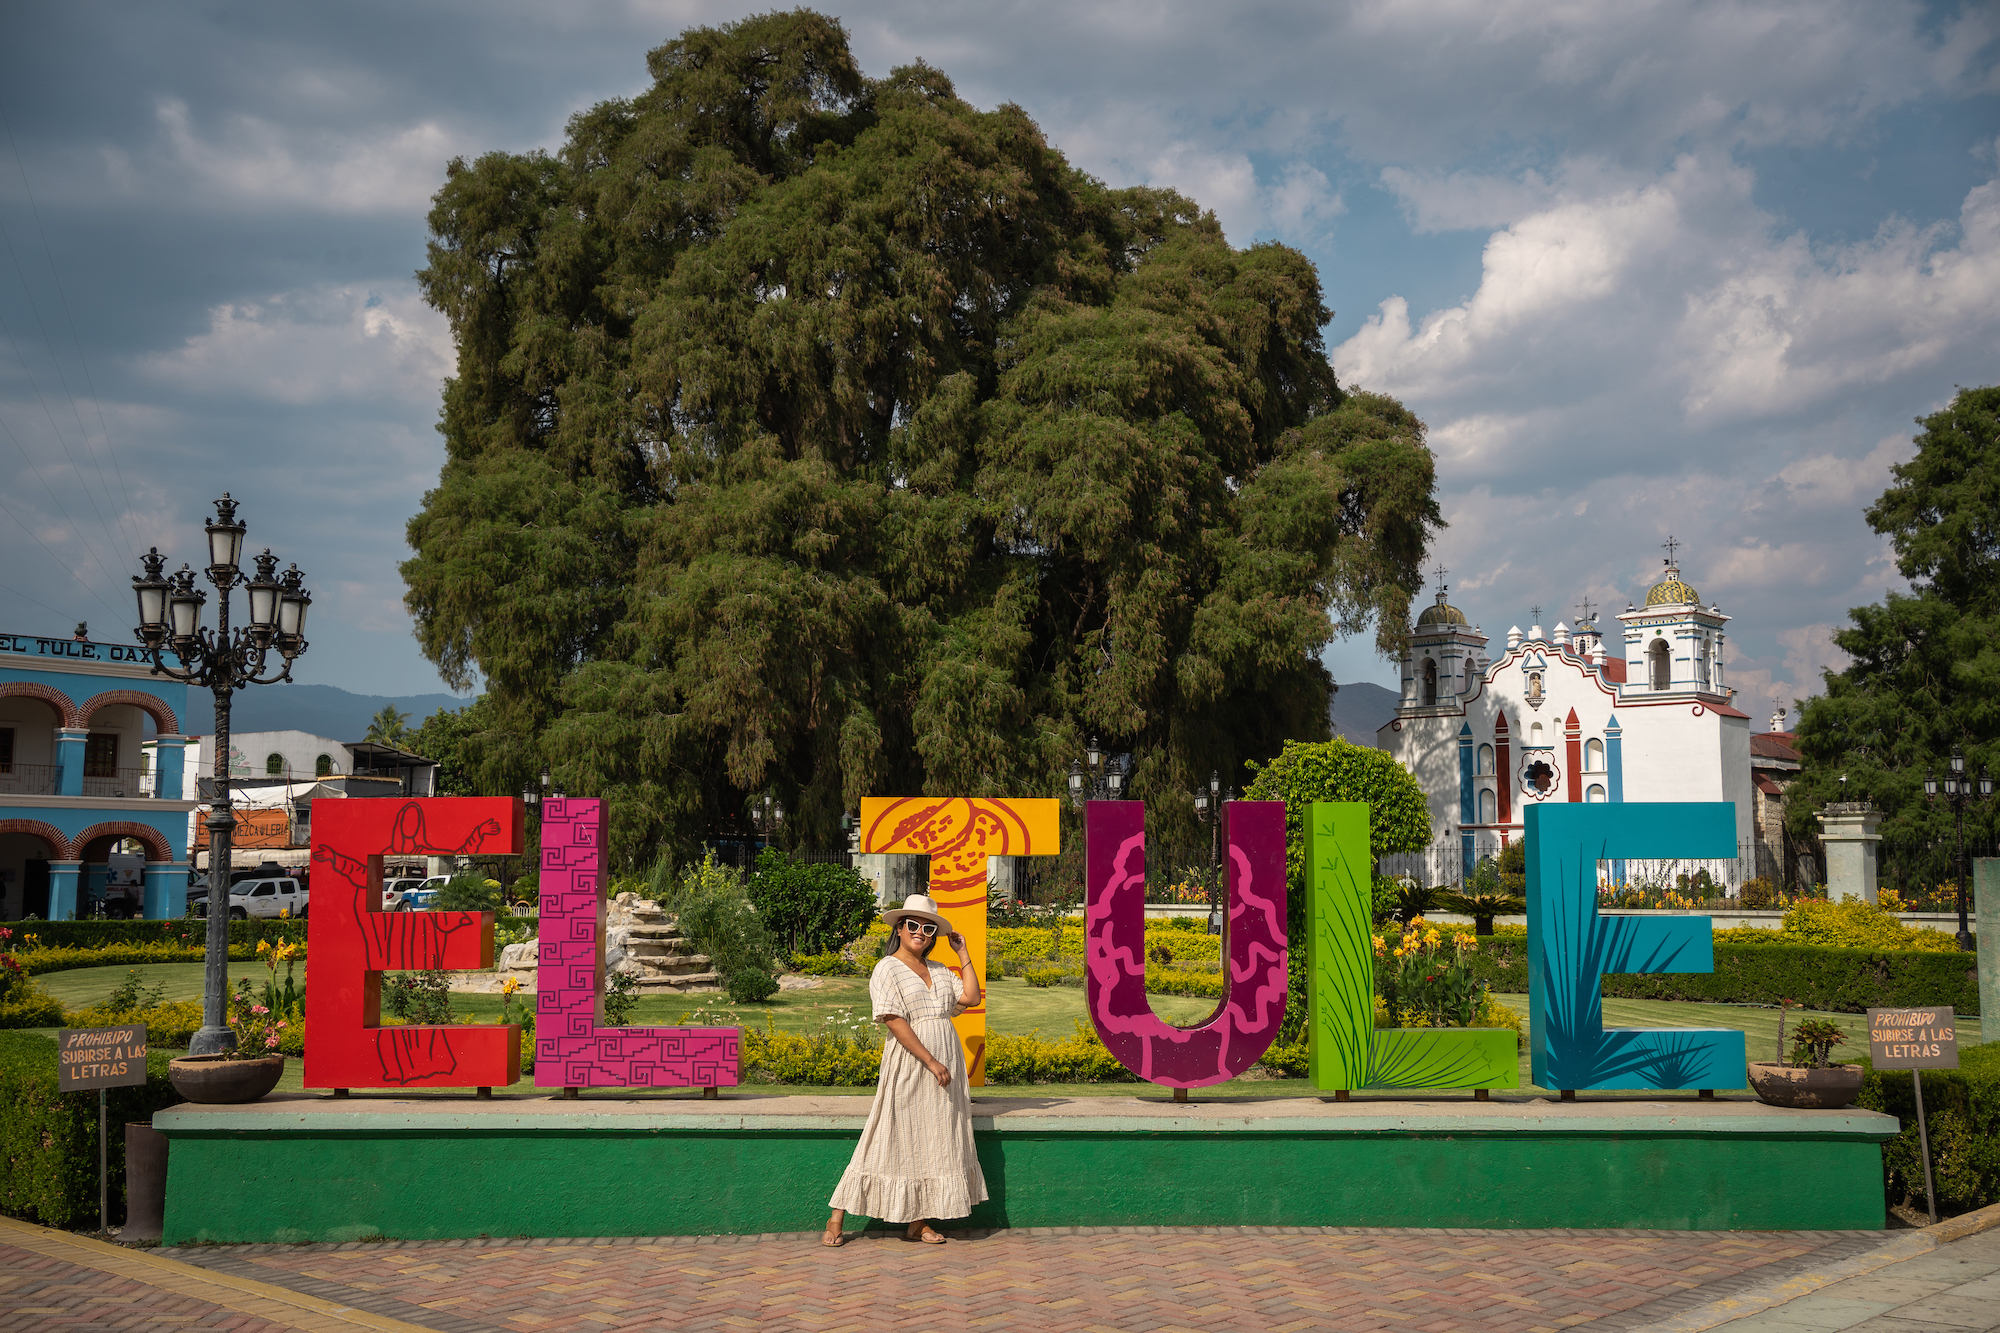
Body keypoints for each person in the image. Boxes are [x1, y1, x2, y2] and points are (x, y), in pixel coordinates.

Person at [823, 893, 986, 1246]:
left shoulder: (941, 971)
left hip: (944, 1070)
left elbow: (971, 999)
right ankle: (837, 1213)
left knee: (931, 1141)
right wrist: (929, 1060)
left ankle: (917, 1222)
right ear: (900, 928)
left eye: (928, 928)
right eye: (913, 925)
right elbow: (893, 1019)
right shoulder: (888, 968)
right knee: (888, 1133)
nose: (921, 932)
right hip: (913, 1065)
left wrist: (963, 954)